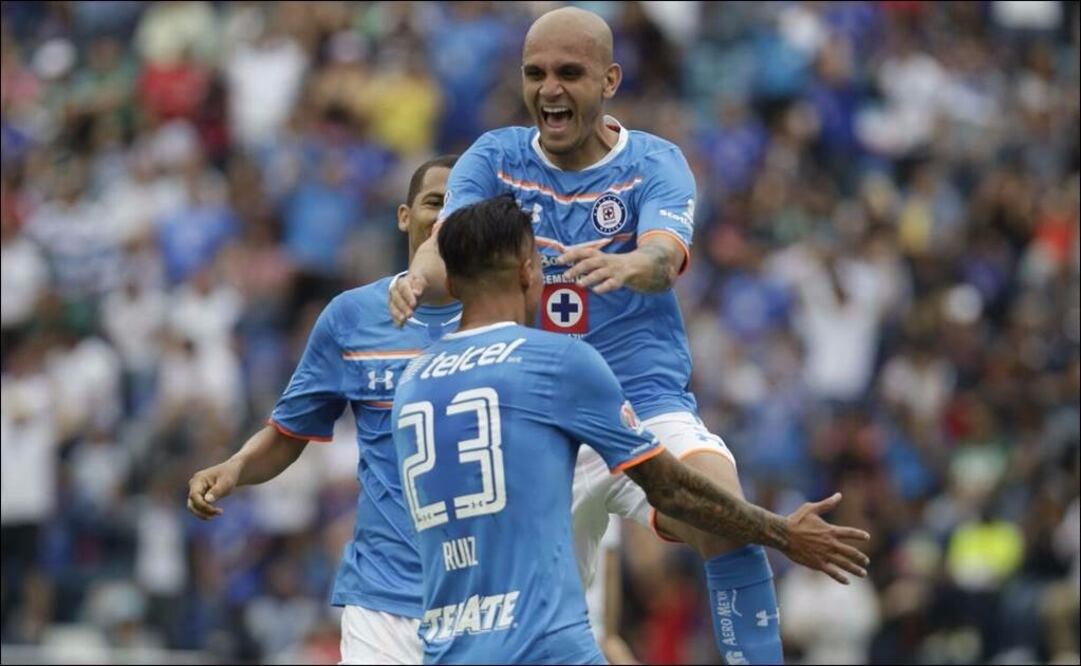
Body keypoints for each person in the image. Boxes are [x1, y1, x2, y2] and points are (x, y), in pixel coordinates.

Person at [389, 8, 854, 663]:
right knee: (542, 635)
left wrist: (627, 265)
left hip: (639, 404)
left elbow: (663, 256)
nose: (549, 89)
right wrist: (416, 275)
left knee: (724, 515)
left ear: (609, 79)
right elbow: (447, 248)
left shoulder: (652, 164)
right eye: (535, 74)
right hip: (532, 423)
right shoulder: (493, 157)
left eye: (569, 73)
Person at [393, 195, 870, 663]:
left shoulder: (412, 380)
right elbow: (673, 491)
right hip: (543, 648)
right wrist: (783, 533)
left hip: (446, 649)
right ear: (527, 271)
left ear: (451, 283)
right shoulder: (557, 361)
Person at [187, 155, 462, 664]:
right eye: (434, 202)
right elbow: (291, 430)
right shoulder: (352, 318)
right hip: (381, 600)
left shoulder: (512, 321)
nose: (446, 216)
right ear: (404, 215)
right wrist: (235, 468)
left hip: (479, 597)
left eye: (461, 204)